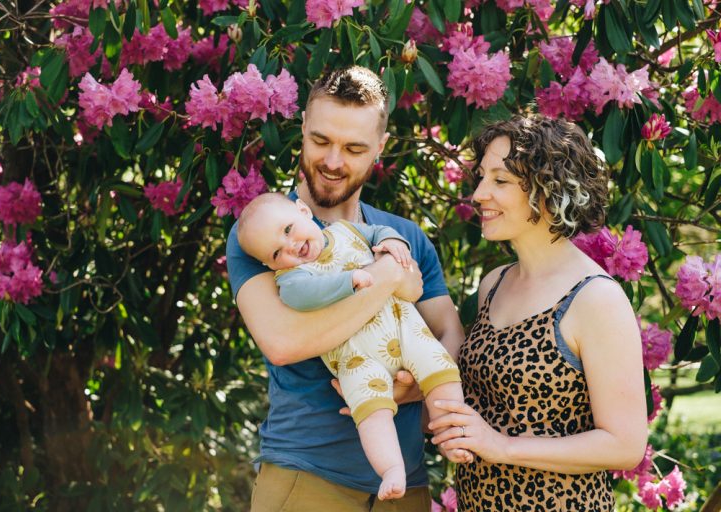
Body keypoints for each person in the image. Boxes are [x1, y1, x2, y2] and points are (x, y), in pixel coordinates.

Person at [226, 66, 465, 511]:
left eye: (354, 148)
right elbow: (282, 342)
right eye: (320, 141)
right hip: (306, 479)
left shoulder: (404, 236)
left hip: (407, 486)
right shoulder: (263, 238)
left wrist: (415, 387)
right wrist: (387, 281)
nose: (333, 162)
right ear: (302, 128)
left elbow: (449, 332)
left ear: (380, 147)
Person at [428, 114, 648, 511]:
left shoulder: (595, 299)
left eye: (500, 180)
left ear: (550, 191)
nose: (478, 194)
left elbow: (626, 444)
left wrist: (502, 447)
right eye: (481, 177)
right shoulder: (493, 284)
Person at [236, 192, 465, 500]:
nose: (290, 245)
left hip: (404, 329)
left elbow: (379, 235)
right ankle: (390, 468)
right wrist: (353, 280)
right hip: (357, 359)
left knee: (440, 368)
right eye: (277, 253)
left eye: (288, 229)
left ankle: (453, 433)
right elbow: (306, 296)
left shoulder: (347, 230)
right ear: (270, 264)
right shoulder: (291, 279)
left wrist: (395, 244)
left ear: (304, 212)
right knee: (371, 411)